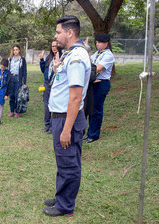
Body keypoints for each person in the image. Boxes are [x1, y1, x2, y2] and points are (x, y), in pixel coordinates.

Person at [43, 16, 91, 217]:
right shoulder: (70, 55)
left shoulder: (77, 57)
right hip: (60, 117)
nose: (56, 36)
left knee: (69, 162)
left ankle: (65, 206)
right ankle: (62, 196)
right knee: (64, 161)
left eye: (58, 32)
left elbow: (75, 97)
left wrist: (66, 129)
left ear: (69, 33)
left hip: (66, 119)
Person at [83, 33, 115, 143]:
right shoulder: (97, 53)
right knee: (91, 109)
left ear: (106, 43)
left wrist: (89, 66)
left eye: (99, 42)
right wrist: (85, 50)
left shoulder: (108, 55)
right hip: (93, 83)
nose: (97, 44)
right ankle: (89, 132)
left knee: (96, 110)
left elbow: (97, 68)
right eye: (96, 42)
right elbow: (88, 62)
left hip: (101, 84)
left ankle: (94, 135)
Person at [39, 40, 60, 134]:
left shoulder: (62, 57)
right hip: (47, 85)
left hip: (56, 86)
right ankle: (47, 125)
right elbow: (44, 70)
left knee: (54, 106)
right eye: (52, 46)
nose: (54, 48)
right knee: (46, 105)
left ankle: (53, 126)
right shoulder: (49, 57)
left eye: (56, 46)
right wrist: (41, 60)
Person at [8, 45, 27, 119]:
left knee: (17, 96)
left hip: (18, 79)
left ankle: (17, 112)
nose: (15, 51)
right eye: (14, 50)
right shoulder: (10, 59)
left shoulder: (22, 59)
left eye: (17, 50)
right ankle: (12, 111)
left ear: (19, 50)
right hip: (11, 79)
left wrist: (24, 82)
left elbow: (25, 72)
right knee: (11, 96)